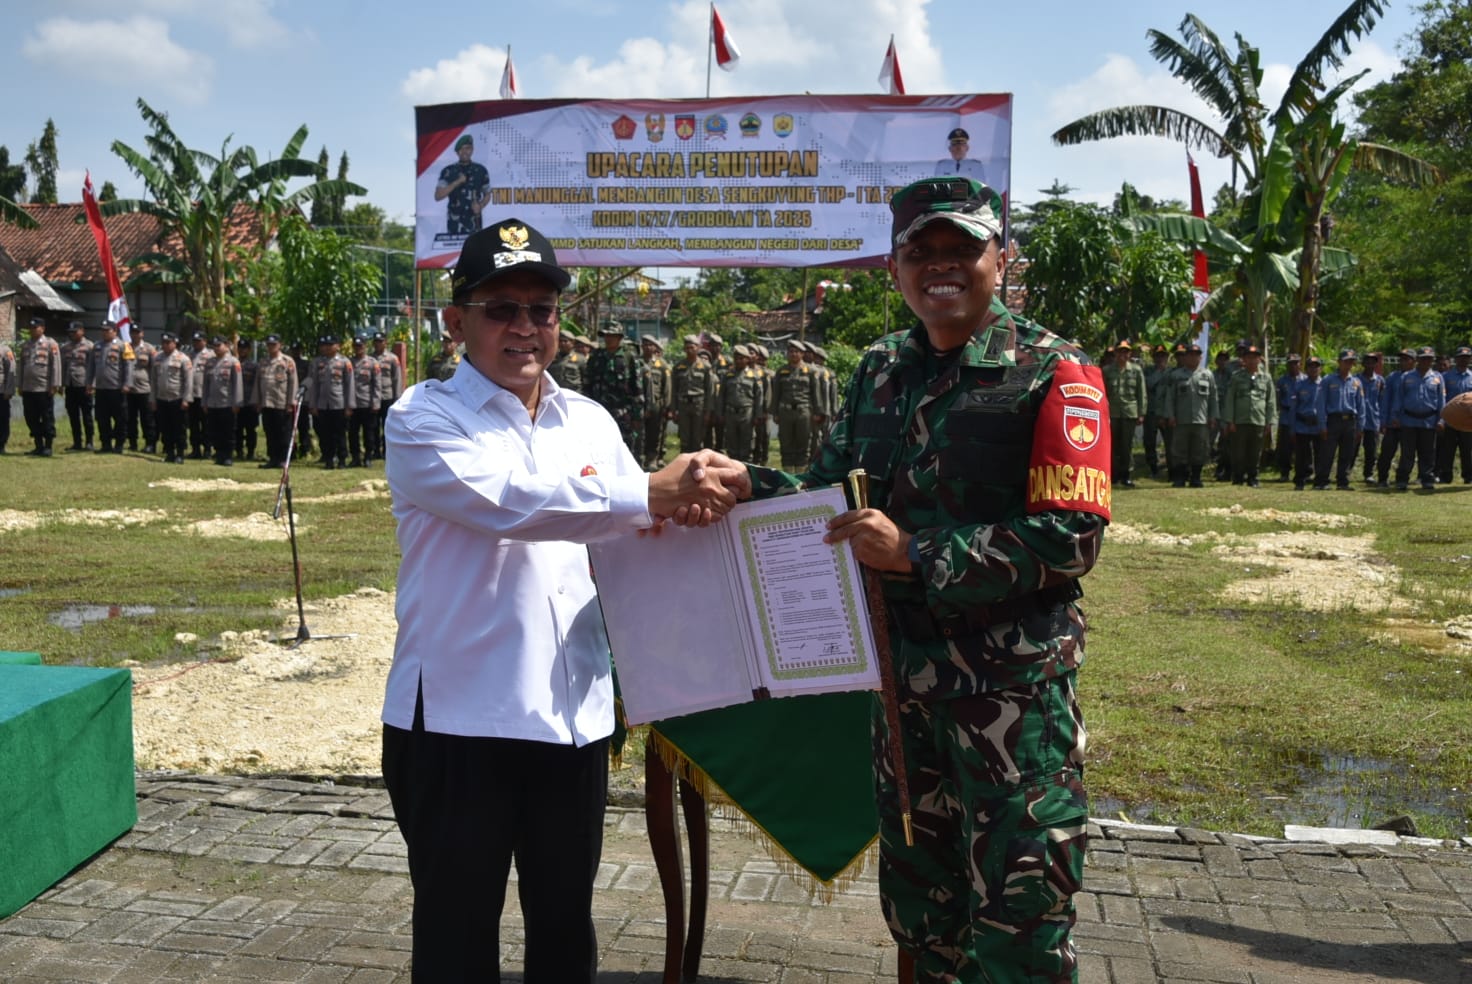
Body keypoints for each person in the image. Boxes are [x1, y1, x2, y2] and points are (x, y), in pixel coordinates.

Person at [707, 177, 1104, 980]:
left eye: (963, 249)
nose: (941, 267)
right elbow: (831, 495)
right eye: (921, 253)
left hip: (1011, 699)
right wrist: (747, 482)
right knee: (924, 908)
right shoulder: (880, 369)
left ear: (1004, 260)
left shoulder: (1056, 373)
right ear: (896, 269)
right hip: (901, 692)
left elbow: (1071, 536)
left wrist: (915, 553)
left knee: (1020, 913)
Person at [380, 217, 741, 983]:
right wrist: (649, 492)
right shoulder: (422, 418)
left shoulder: (591, 420)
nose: (524, 328)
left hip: (572, 716)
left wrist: (707, 503)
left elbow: (625, 534)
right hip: (457, 719)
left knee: (565, 929)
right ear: (456, 321)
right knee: (455, 933)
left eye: (541, 309)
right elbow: (513, 502)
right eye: (501, 308)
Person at [1389, 346, 1446, 491]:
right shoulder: (1406, 377)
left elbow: (1441, 401)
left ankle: (1426, 479)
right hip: (1408, 420)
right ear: (1418, 360)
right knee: (1407, 453)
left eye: (1429, 359)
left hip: (1429, 420)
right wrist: (1395, 416)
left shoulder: (1438, 378)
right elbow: (1399, 399)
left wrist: (1441, 420)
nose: (1426, 361)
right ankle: (1402, 480)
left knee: (1427, 453)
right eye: (1423, 358)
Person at [584, 319, 644, 456]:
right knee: (600, 447)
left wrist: (637, 416)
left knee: (625, 448)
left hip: (623, 412)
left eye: (612, 336)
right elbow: (588, 383)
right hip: (600, 411)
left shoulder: (629, 357)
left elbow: (637, 388)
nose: (608, 339)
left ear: (620, 337)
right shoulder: (597, 356)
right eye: (606, 335)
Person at [1221, 344, 1274, 486]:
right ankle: (1238, 477)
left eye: (1254, 358)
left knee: (1255, 452)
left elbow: (1270, 401)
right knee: (1238, 451)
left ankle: (1253, 477)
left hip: (1258, 420)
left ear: (1259, 359)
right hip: (1240, 420)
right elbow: (1230, 399)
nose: (1251, 361)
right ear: (1243, 360)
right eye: (1248, 358)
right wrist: (1230, 420)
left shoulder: (1266, 378)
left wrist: (1269, 422)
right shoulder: (1236, 377)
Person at [1167, 342, 1216, 487]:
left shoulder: (1207, 375)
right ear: (1185, 357)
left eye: (1196, 355)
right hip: (1181, 420)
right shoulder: (1176, 376)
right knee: (1179, 450)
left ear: (1200, 358)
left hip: (1201, 420)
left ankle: (1196, 478)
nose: (1193, 358)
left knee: (1199, 450)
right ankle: (1180, 478)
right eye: (1190, 355)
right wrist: (1170, 415)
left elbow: (1213, 398)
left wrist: (1213, 416)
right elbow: (1170, 398)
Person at [1317, 349, 1367, 490]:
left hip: (1350, 421)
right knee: (1327, 453)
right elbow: (1321, 404)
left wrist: (1360, 427)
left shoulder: (1356, 382)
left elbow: (1361, 406)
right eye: (1346, 361)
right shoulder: (1328, 380)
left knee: (1347, 453)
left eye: (1351, 362)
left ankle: (1343, 481)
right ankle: (1322, 481)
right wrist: (1322, 425)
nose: (1348, 365)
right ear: (1339, 362)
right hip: (1333, 420)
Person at [1102, 339, 1146, 487]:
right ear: (1115, 353)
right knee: (1112, 445)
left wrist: (1141, 413)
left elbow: (1142, 393)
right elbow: (1103, 393)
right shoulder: (1107, 370)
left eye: (1126, 352)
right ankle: (1113, 474)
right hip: (1112, 413)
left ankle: (1126, 475)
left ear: (1129, 354)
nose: (1123, 354)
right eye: (1120, 351)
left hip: (1129, 412)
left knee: (1127, 445)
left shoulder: (1136, 370)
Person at [307, 334, 355, 469]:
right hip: (323, 404)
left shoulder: (345, 362)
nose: (327, 348)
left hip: (339, 404)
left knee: (339, 433)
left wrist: (349, 405)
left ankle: (342, 459)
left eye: (330, 345)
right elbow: (314, 384)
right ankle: (328, 459)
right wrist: (313, 404)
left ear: (337, 346)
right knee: (325, 434)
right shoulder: (317, 362)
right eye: (325, 345)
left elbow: (349, 384)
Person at [771, 338, 821, 468]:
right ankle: (787, 474)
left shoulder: (810, 371)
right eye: (791, 351)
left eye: (796, 351)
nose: (793, 354)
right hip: (785, 412)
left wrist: (817, 412)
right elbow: (776, 393)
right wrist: (775, 412)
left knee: (803, 444)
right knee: (786, 443)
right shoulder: (781, 371)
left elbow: (816, 393)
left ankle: (800, 474)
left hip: (803, 411)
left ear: (802, 354)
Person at [87, 321, 133, 454]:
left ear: (115, 331)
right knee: (102, 418)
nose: (104, 333)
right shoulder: (97, 346)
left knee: (120, 418)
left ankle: (119, 444)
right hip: (101, 389)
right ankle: (105, 444)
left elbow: (128, 367)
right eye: (103, 330)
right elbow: (91, 366)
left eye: (107, 330)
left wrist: (127, 384)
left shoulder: (124, 346)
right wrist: (89, 382)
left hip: (117, 388)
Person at [19, 318, 62, 457]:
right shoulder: (26, 345)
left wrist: (55, 384)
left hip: (44, 388)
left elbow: (56, 365)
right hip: (28, 388)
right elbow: (21, 367)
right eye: (31, 328)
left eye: (35, 327)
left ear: (42, 328)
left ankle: (48, 446)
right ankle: (38, 445)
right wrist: (20, 385)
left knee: (47, 417)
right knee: (31, 417)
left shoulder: (50, 344)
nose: (33, 330)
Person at [255, 334, 299, 469]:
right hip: (267, 402)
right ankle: (272, 458)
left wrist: (291, 402)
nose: (271, 347)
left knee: (283, 432)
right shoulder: (263, 361)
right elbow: (258, 383)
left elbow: (293, 382)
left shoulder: (287, 361)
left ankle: (283, 459)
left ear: (280, 345)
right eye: (269, 344)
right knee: (270, 432)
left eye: (273, 344)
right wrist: (257, 401)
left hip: (281, 402)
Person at [434, 134, 491, 236]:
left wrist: (481, 205)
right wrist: (457, 182)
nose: (465, 152)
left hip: (474, 223)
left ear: (472, 150)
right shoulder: (448, 171)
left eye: (468, 148)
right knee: (454, 252)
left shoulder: (481, 170)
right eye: (461, 149)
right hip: (455, 223)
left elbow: (487, 193)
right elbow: (438, 196)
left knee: (475, 251)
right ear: (457, 152)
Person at [151, 332, 194, 464]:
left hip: (177, 399)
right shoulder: (157, 358)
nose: (165, 345)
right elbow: (153, 380)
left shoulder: (183, 358)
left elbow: (188, 381)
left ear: (175, 343)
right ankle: (169, 452)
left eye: (168, 343)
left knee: (179, 428)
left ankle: (180, 453)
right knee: (165, 428)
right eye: (163, 343)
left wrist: (186, 399)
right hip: (162, 399)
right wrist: (152, 399)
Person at [201, 335, 243, 466]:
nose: (216, 348)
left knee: (228, 431)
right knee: (214, 431)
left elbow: (237, 384)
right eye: (214, 346)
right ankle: (219, 454)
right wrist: (204, 401)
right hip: (213, 403)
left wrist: (237, 402)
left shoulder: (233, 362)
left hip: (227, 403)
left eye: (218, 345)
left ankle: (227, 456)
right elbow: (206, 384)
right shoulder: (210, 362)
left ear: (226, 345)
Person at [670, 334, 716, 453]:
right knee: (684, 438)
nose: (690, 350)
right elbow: (674, 389)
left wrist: (708, 411)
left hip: (698, 406)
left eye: (693, 347)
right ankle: (684, 463)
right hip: (683, 405)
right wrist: (673, 409)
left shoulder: (705, 367)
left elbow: (709, 390)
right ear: (684, 349)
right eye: (687, 347)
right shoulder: (678, 367)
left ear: (698, 348)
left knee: (697, 438)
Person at [1376, 348, 1415, 487]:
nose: (1402, 362)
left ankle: (1401, 479)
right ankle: (1382, 478)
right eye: (1401, 359)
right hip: (1392, 423)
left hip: (1409, 423)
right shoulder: (1392, 377)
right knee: (1386, 452)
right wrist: (1383, 421)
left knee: (1407, 454)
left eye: (1406, 359)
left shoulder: (1417, 377)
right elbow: (1385, 400)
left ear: (1413, 361)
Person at [1437, 344, 1471, 484]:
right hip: (1450, 418)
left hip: (1468, 420)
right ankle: (1446, 476)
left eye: (1466, 357)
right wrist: (1442, 419)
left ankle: (1468, 476)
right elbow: (1441, 398)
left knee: (1467, 450)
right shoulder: (1445, 376)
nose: (1463, 360)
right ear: (1456, 359)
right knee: (1448, 449)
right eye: (1461, 357)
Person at [61, 320, 95, 450]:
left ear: (82, 331)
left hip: (84, 385)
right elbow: (63, 367)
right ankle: (77, 442)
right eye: (70, 332)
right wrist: (61, 384)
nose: (72, 334)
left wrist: (92, 384)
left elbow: (93, 367)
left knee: (86, 415)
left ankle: (89, 441)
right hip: (70, 385)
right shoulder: (65, 347)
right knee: (73, 415)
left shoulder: (89, 346)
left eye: (75, 332)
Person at [640, 334, 672, 469]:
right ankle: (639, 457)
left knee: (655, 433)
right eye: (645, 344)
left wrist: (667, 406)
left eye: (650, 345)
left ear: (655, 347)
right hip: (640, 404)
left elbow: (667, 387)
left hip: (656, 405)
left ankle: (652, 459)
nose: (647, 347)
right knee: (640, 433)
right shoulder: (637, 362)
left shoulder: (662, 364)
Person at [348, 336, 382, 467]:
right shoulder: (349, 362)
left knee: (369, 432)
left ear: (365, 347)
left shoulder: (372, 363)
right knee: (353, 433)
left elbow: (377, 384)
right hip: (352, 403)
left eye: (360, 346)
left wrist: (376, 402)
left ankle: (368, 456)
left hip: (367, 403)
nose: (358, 349)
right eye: (356, 346)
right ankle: (355, 457)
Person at [124, 327, 158, 454]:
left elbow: (154, 370)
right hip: (129, 389)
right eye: (132, 332)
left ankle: (150, 444)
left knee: (147, 419)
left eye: (137, 332)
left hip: (144, 389)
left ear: (142, 333)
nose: (135, 335)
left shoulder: (149, 349)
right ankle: (132, 443)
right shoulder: (126, 347)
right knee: (130, 418)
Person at [372, 332, 403, 461]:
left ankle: (387, 450)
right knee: (373, 426)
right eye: (376, 341)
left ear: (385, 342)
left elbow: (397, 379)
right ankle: (375, 450)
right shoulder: (370, 358)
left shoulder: (392, 358)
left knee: (387, 425)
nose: (378, 344)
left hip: (387, 395)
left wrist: (397, 397)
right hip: (373, 397)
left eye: (381, 341)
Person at [1141, 344, 1170, 478]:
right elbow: (1148, 384)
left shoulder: (1171, 372)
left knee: (1170, 441)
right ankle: (1153, 467)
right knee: (1149, 441)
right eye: (1157, 356)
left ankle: (1171, 467)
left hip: (1166, 412)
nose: (1160, 359)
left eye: (1163, 356)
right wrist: (1159, 371)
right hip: (1151, 411)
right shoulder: (1147, 371)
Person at [1357, 352, 1385, 485]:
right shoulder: (1356, 380)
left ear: (1376, 364)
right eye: (1367, 361)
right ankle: (1345, 472)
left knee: (1371, 450)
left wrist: (1382, 421)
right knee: (1352, 449)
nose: (1370, 364)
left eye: (1372, 362)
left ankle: (1368, 474)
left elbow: (1382, 401)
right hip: (1357, 420)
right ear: (1363, 364)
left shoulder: (1379, 381)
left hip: (1373, 420)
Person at [188, 331, 216, 459]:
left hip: (204, 395)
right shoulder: (190, 355)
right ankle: (195, 449)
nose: (196, 343)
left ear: (205, 341)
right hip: (191, 394)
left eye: (199, 341)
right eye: (194, 341)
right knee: (193, 424)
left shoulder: (211, 355)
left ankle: (207, 450)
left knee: (206, 425)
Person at [234, 339, 261, 461]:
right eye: (240, 348)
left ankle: (250, 452)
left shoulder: (254, 366)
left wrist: (257, 401)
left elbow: (258, 384)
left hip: (250, 402)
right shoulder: (234, 363)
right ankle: (238, 451)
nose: (242, 350)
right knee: (237, 428)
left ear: (249, 350)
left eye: (244, 348)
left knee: (250, 429)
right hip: (236, 402)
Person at [0, 338, 14, 454]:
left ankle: (1, 444)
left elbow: (11, 370)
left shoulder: (5, 350)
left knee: (3, 419)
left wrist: (9, 390)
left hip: (1, 391)